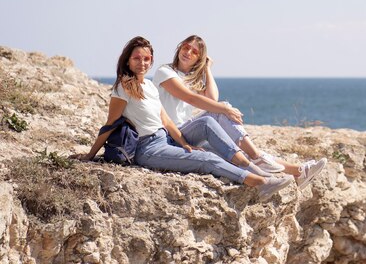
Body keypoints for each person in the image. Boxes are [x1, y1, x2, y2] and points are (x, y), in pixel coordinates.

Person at [75, 36, 292, 201]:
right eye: (137, 58)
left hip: (164, 139)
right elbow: (110, 123)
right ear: (128, 61)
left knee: (207, 124)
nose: (142, 63)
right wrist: (91, 155)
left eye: (146, 58)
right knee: (207, 160)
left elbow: (166, 121)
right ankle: (260, 182)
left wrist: (185, 144)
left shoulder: (149, 86)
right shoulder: (123, 88)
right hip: (146, 149)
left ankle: (254, 167)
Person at [153, 35, 326, 189]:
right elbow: (191, 98)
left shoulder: (190, 77)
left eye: (194, 52)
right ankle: (257, 156)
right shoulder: (165, 71)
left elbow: (212, 98)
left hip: (187, 130)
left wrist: (207, 69)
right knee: (221, 111)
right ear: (179, 48)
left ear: (199, 58)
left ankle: (298, 172)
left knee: (235, 151)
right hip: (172, 134)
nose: (188, 52)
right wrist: (225, 108)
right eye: (186, 47)